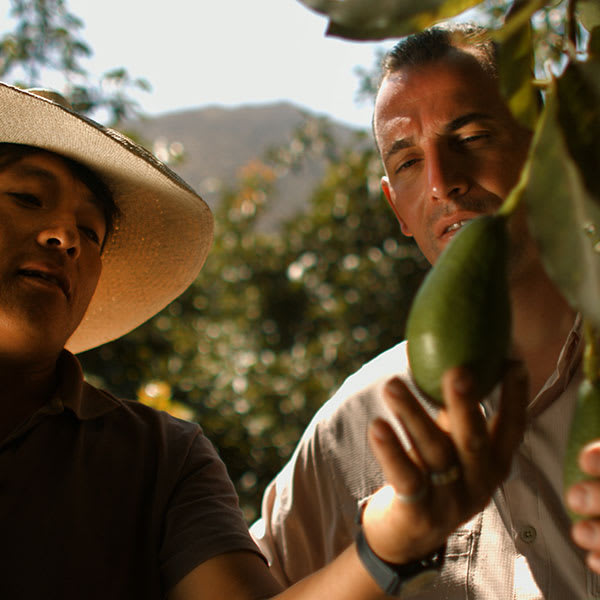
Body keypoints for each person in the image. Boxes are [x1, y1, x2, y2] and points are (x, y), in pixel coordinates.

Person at [0, 80, 526, 600]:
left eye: (90, 231)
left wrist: (391, 544)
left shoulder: (159, 460)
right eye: (27, 197)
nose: (64, 236)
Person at [252, 24, 600, 598]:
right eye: (409, 162)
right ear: (396, 209)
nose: (444, 183)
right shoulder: (356, 424)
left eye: (472, 136)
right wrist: (383, 549)